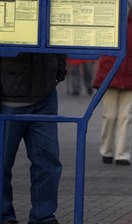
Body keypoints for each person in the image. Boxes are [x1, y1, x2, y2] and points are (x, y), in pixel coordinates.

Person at [1, 52, 67, 224]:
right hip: (8, 96)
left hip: (44, 94)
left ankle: (43, 216)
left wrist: (58, 70)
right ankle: (4, 215)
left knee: (48, 162)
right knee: (2, 163)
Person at [93, 0, 132, 166]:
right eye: (121, 5)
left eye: (127, 5)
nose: (124, 9)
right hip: (110, 77)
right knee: (109, 116)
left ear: (130, 7)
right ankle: (107, 150)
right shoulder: (108, 23)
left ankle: (122, 154)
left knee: (126, 117)